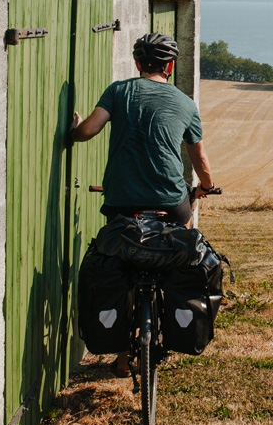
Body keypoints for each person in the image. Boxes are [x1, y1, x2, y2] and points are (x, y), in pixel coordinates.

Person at [69, 32, 216, 376]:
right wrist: (206, 187)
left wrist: (74, 130)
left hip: (122, 202)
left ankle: (122, 356)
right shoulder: (185, 103)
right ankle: (173, 314)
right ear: (170, 65)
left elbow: (89, 130)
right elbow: (200, 160)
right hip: (170, 202)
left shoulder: (118, 92)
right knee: (184, 244)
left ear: (137, 64)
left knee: (121, 263)